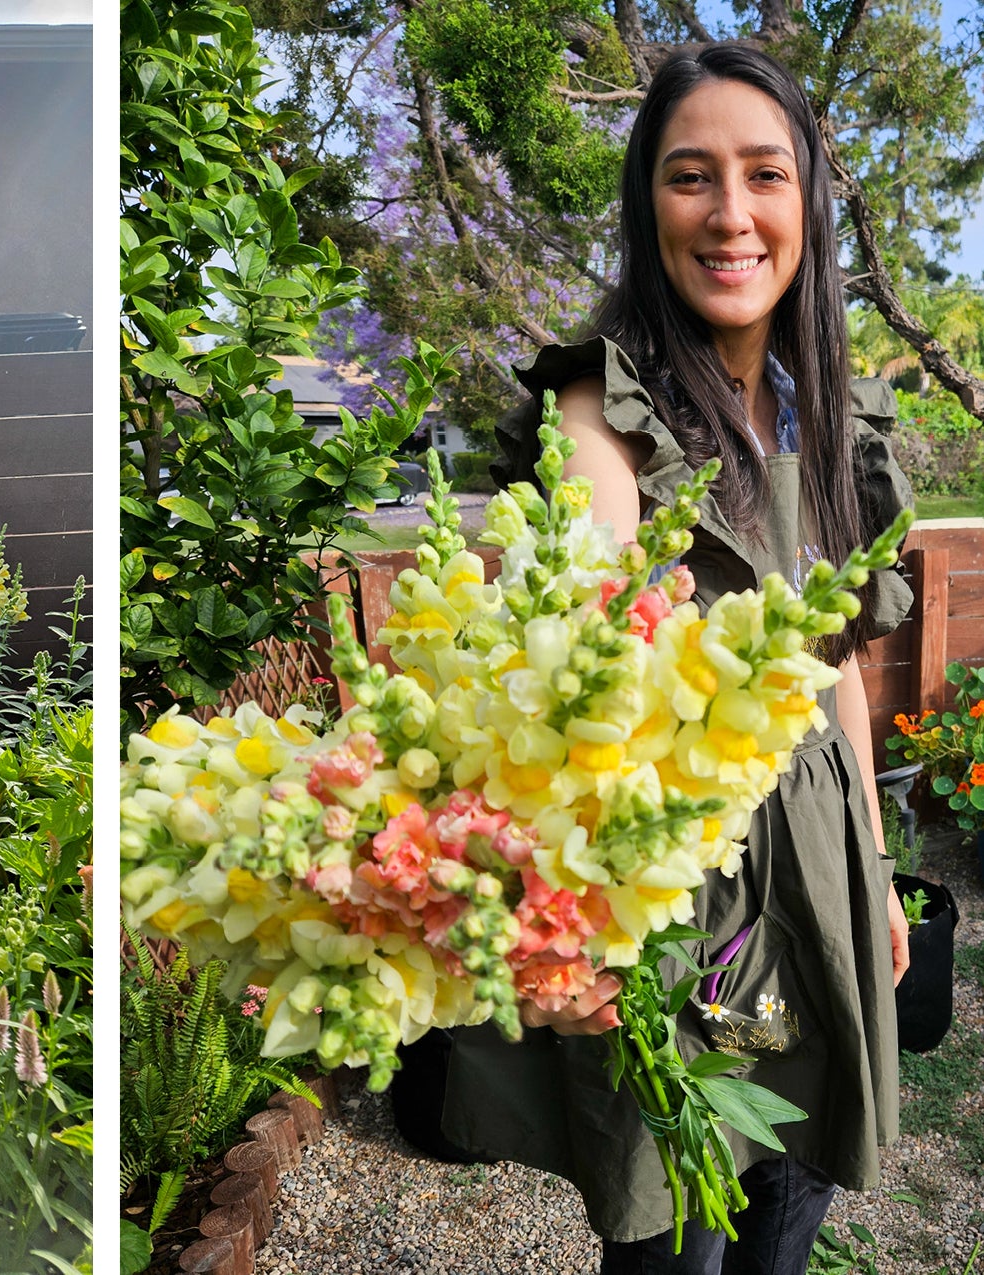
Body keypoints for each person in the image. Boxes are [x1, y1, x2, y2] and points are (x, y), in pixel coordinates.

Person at [435, 45, 913, 1273]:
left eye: (766, 174)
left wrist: (870, 852)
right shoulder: (604, 415)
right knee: (677, 1235)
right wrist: (558, 927)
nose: (733, 214)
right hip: (681, 890)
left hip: (820, 852)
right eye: (692, 178)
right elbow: (572, 679)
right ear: (650, 207)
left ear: (806, 195)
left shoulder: (820, 405)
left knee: (791, 1203)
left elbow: (837, 661)